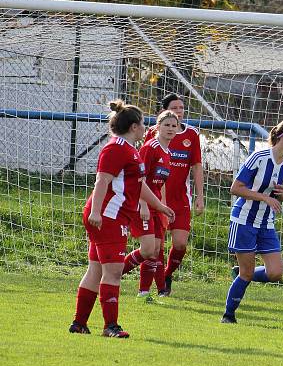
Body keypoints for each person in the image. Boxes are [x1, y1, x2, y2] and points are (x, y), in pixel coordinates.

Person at [69, 100, 174, 338]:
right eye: (143, 124)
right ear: (134, 127)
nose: (146, 128)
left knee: (96, 270)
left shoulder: (129, 149)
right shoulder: (116, 148)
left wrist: (160, 207)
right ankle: (110, 326)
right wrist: (96, 212)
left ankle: (79, 323)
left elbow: (139, 184)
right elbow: (102, 181)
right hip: (108, 216)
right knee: (113, 272)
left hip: (110, 216)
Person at [221, 120, 283, 324]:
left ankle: (240, 273)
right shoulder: (259, 158)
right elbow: (235, 188)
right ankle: (228, 315)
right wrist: (264, 197)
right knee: (247, 274)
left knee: (275, 273)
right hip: (244, 220)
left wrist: (282, 194)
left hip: (266, 223)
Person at [143, 94, 204, 294]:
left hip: (180, 199)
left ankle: (167, 275)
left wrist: (200, 197)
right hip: (157, 197)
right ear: (164, 112)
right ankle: (155, 287)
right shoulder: (153, 134)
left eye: (181, 108)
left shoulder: (192, 134)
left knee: (180, 244)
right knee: (156, 247)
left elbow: (196, 166)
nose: (179, 111)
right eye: (175, 108)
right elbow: (144, 169)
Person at [121, 110, 180, 301]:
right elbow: (138, 179)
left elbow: (159, 184)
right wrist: (143, 205)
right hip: (141, 203)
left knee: (154, 250)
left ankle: (144, 293)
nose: (170, 129)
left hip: (155, 205)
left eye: (174, 125)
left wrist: (162, 207)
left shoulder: (168, 152)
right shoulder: (150, 147)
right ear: (158, 127)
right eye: (167, 125)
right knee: (147, 249)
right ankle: (113, 274)